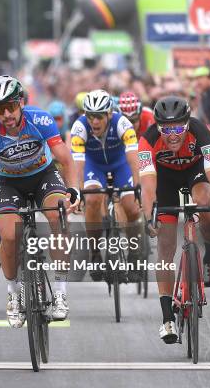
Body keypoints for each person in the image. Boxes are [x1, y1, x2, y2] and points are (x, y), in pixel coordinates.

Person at [0, 75, 80, 328]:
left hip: (42, 175)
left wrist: (74, 190)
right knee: (8, 234)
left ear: (20, 104)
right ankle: (13, 293)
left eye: (11, 106)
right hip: (8, 183)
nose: (7, 114)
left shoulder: (40, 119)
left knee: (58, 215)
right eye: (0, 109)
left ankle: (60, 291)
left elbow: (65, 159)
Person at [138, 96, 210, 344]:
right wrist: (150, 217)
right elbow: (148, 187)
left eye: (178, 128)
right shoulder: (147, 141)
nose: (173, 135)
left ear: (187, 123)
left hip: (196, 171)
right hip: (165, 179)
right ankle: (167, 318)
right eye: (166, 129)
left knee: (205, 201)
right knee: (165, 244)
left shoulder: (202, 132)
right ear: (158, 127)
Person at [69, 89, 142, 282]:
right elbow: (78, 163)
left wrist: (138, 185)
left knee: (132, 208)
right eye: (90, 116)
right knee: (92, 199)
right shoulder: (79, 127)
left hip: (121, 165)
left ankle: (134, 255)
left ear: (109, 114)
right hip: (94, 166)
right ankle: (94, 254)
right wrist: (79, 192)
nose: (94, 122)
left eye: (99, 117)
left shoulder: (122, 123)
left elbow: (134, 157)